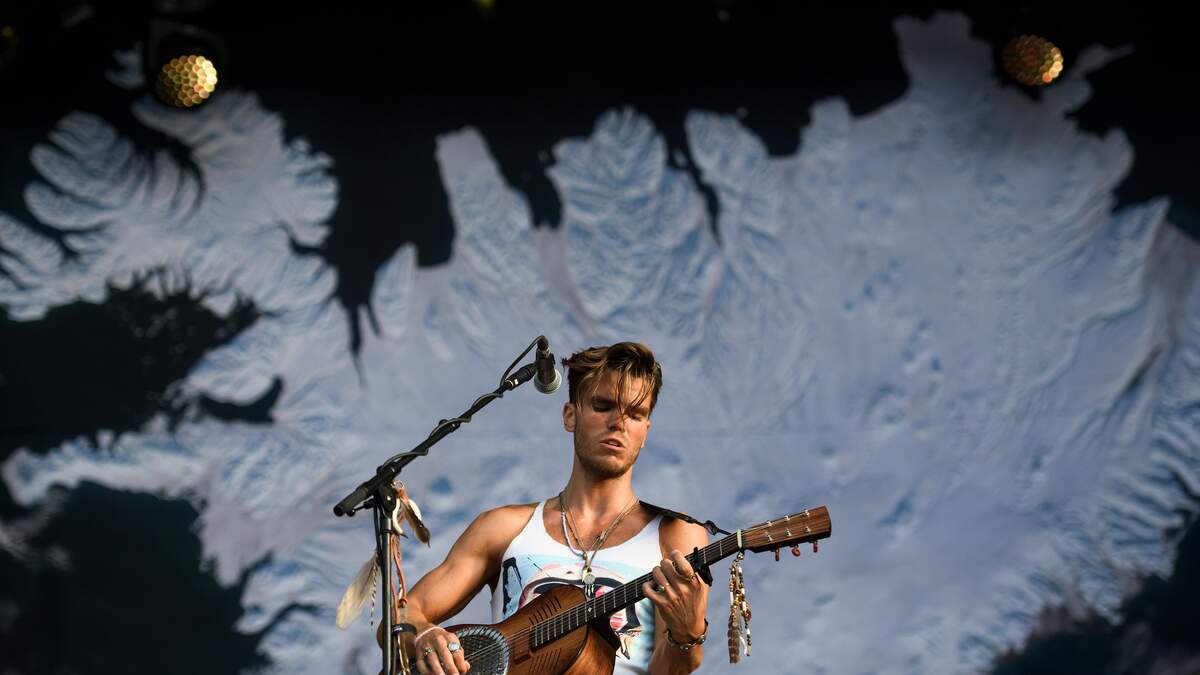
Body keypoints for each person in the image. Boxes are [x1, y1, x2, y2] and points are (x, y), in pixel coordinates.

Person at [400, 342, 709, 675]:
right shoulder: (505, 529)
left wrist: (687, 635)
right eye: (603, 406)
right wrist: (424, 635)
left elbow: (669, 671)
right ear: (570, 416)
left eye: (635, 414)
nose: (619, 423)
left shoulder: (674, 536)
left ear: (645, 431)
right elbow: (403, 616)